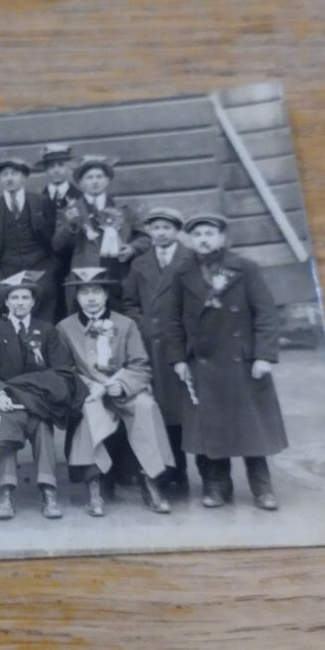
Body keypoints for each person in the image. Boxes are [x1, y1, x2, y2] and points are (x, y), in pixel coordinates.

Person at [163, 213, 288, 510]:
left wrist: (263, 355)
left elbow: (266, 314)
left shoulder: (244, 268)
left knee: (251, 427)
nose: (203, 239)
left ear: (222, 238)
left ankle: (262, 489)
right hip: (201, 362)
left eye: (209, 233)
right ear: (190, 240)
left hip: (242, 362)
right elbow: (171, 321)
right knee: (210, 430)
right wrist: (178, 359)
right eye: (197, 234)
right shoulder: (181, 272)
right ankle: (217, 487)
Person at [56, 267, 173, 517]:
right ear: (76, 297)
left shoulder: (125, 324)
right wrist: (88, 386)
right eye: (84, 292)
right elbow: (64, 369)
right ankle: (94, 486)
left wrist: (123, 384)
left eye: (96, 291)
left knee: (145, 406)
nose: (91, 298)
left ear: (106, 294)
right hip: (90, 392)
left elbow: (140, 364)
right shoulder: (65, 328)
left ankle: (149, 480)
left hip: (123, 389)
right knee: (88, 412)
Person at [0, 272, 71, 520]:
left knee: (42, 427)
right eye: (14, 298)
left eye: (25, 298)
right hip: (6, 400)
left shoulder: (47, 330)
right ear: (7, 303)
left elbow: (60, 371)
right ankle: (5, 492)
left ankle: (49, 492)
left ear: (33, 302)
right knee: (3, 426)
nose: (19, 302)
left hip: (38, 402)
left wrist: (41, 394)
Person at [121, 206, 195, 490]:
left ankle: (204, 471)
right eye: (155, 228)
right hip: (152, 344)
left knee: (190, 409)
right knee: (163, 411)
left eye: (167, 227)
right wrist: (142, 324)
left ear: (176, 231)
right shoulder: (140, 264)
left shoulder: (191, 259)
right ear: (149, 232)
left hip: (185, 343)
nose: (161, 233)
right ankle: (174, 471)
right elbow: (129, 302)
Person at [52, 155, 149, 286]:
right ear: (80, 183)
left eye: (99, 176)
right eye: (89, 177)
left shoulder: (123, 209)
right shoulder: (70, 211)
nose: (95, 181)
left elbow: (145, 238)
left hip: (120, 274)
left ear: (108, 180)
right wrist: (72, 226)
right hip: (84, 277)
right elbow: (57, 245)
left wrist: (132, 248)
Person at [0, 157, 57, 324]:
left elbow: (54, 234)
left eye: (14, 173)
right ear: (0, 179)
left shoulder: (41, 202)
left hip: (41, 269)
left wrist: (51, 267)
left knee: (44, 319)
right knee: (12, 319)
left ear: (24, 177)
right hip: (7, 271)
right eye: (4, 174)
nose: (9, 178)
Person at [33, 142, 83, 322]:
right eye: (51, 166)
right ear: (46, 170)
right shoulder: (38, 200)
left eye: (61, 165)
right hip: (48, 265)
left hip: (75, 262)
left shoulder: (80, 198)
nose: (56, 170)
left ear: (69, 167)